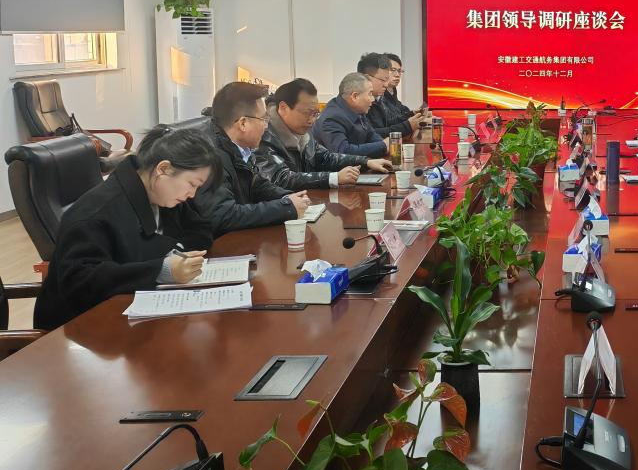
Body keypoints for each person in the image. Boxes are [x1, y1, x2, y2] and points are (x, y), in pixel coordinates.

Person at [35, 125, 218, 329]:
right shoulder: (97, 212)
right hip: (78, 327)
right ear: (163, 169)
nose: (192, 194)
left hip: (133, 312)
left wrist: (174, 254)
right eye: (192, 184)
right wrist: (161, 269)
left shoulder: (163, 193)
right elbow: (80, 282)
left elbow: (201, 231)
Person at [192, 81, 309, 235]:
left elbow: (256, 185)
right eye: (263, 119)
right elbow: (224, 216)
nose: (266, 126)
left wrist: (288, 197)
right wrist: (285, 208)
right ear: (243, 124)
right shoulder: (210, 157)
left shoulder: (239, 147)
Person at [257, 78, 392, 190]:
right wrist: (333, 178)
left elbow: (326, 157)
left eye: (315, 113)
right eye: (307, 113)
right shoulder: (262, 136)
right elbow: (282, 178)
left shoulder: (302, 132)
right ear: (283, 108)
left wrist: (366, 162)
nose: (312, 120)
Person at [314, 72, 391, 158]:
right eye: (370, 94)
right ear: (355, 96)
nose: (373, 99)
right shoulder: (332, 118)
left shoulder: (357, 109)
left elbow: (370, 135)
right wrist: (383, 146)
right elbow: (343, 152)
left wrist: (385, 145)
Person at [366, 52, 428, 139]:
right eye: (392, 70)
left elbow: (389, 120)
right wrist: (407, 126)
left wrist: (411, 114)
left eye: (399, 71)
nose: (397, 75)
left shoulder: (387, 92)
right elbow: (369, 135)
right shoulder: (371, 98)